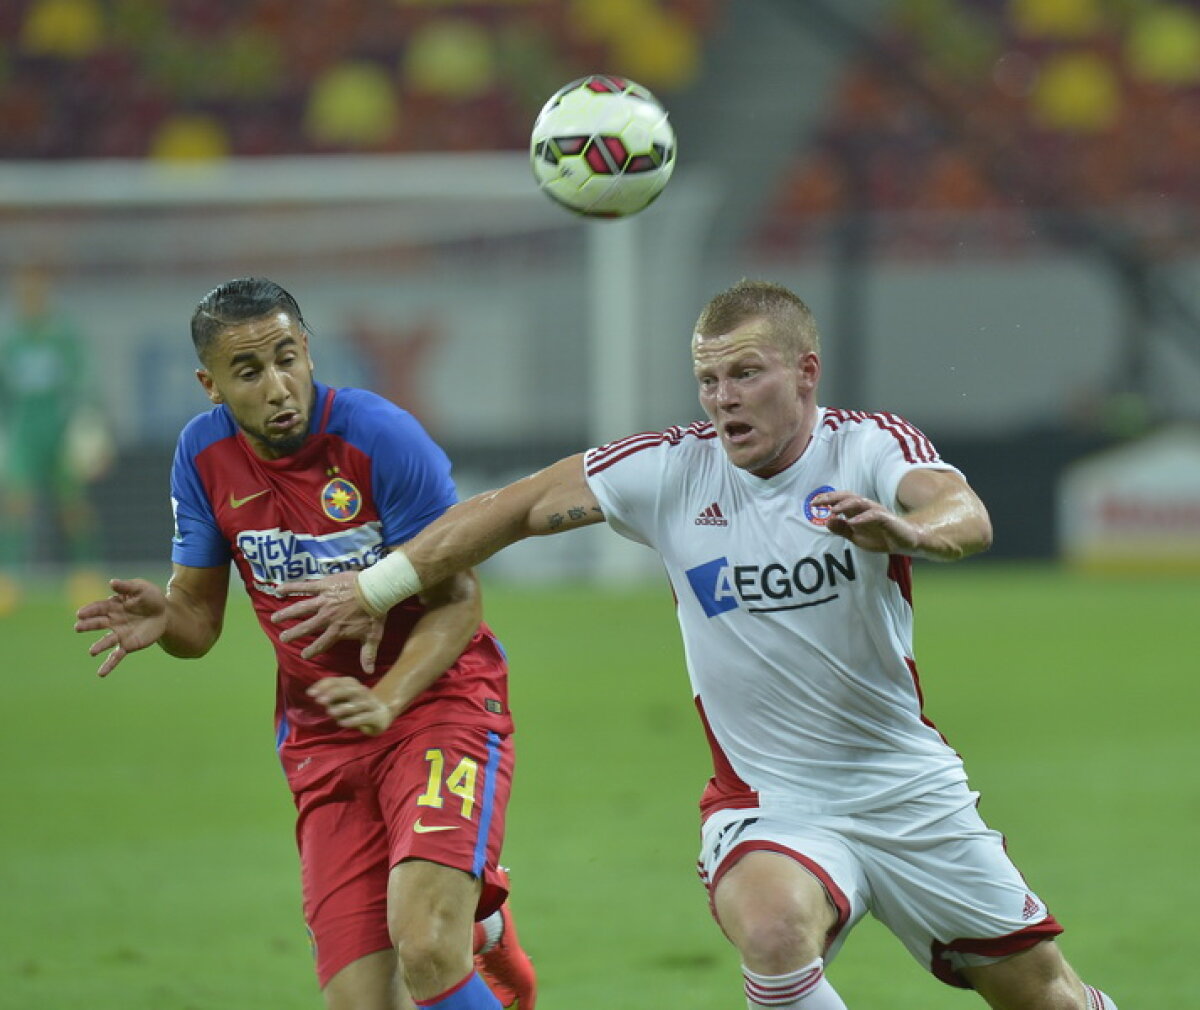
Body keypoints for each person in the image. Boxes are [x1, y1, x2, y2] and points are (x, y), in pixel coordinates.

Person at [273, 280, 1120, 1010]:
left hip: (905, 791)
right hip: (769, 799)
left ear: (805, 373)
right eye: (708, 379)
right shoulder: (672, 470)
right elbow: (512, 507)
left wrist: (912, 531)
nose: (722, 398)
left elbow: (963, 510)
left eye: (746, 374)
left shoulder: (865, 447)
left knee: (1041, 992)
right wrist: (375, 585)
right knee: (773, 923)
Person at [73, 278, 537, 1010]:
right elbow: (200, 620)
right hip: (323, 739)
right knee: (359, 1001)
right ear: (212, 385)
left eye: (287, 357)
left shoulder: (379, 435)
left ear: (308, 349)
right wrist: (167, 619)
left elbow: (459, 598)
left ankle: (461, 928)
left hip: (438, 706)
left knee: (424, 940)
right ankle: (483, 932)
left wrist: (387, 700)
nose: (279, 385)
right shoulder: (202, 455)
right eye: (250, 372)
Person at [0, 262, 106, 611]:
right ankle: (8, 578)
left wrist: (88, 428)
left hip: (60, 430)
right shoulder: (11, 341)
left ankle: (85, 573)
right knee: (16, 503)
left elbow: (83, 385)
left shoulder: (63, 337)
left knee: (72, 505)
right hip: (26, 433)